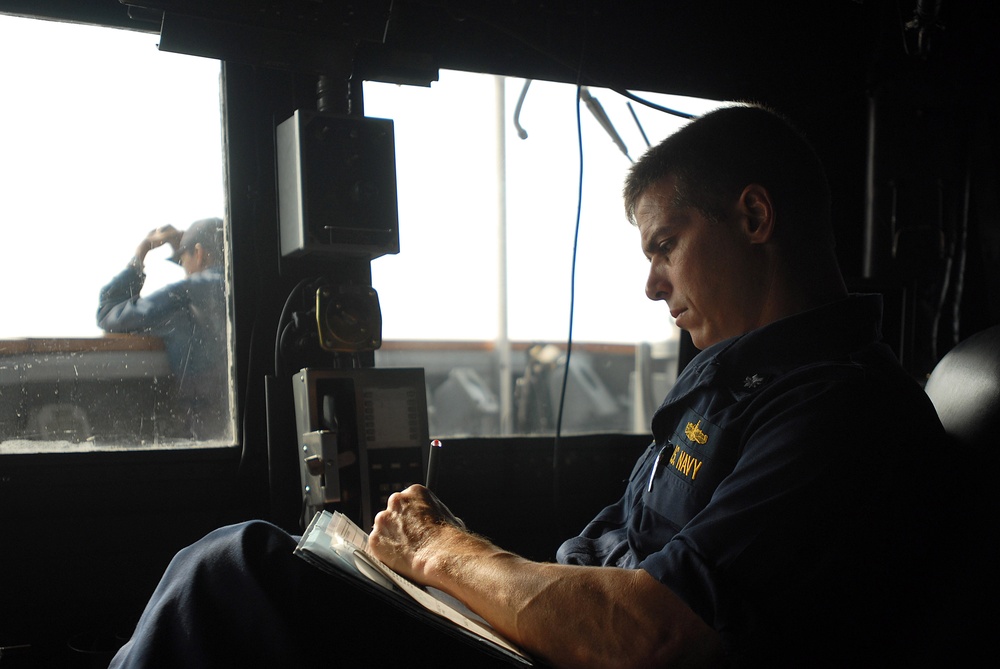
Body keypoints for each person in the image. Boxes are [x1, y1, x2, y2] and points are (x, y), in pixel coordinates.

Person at [108, 105, 953, 668]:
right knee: (262, 561)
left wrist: (451, 553)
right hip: (544, 646)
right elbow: (611, 558)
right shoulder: (731, 382)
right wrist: (463, 577)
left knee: (233, 572)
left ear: (755, 218)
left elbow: (655, 632)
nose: (653, 286)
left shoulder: (840, 411)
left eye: (665, 245)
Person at [97, 217, 228, 439]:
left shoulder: (186, 293)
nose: (184, 269)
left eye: (183, 259)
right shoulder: (246, 285)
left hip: (205, 428)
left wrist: (142, 251)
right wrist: (188, 243)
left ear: (199, 253)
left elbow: (109, 313)